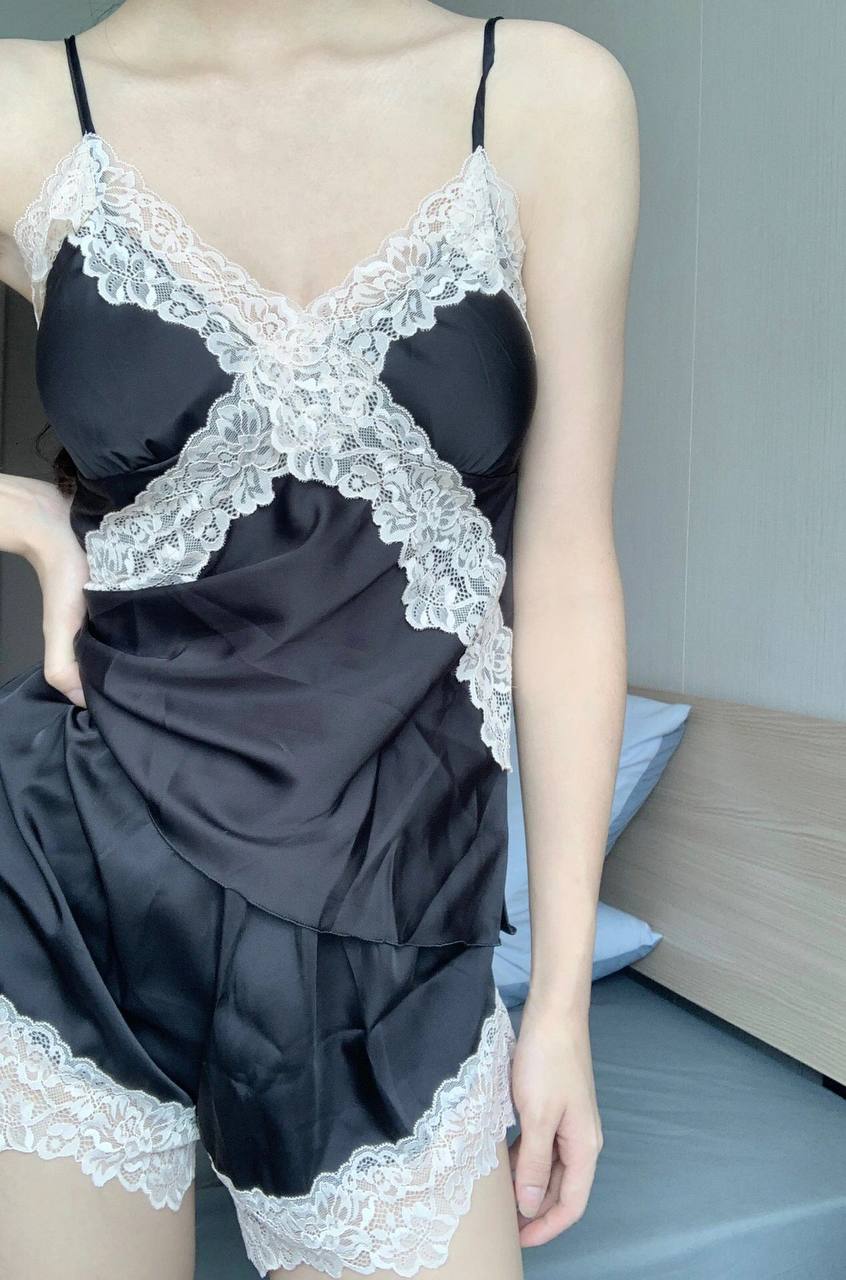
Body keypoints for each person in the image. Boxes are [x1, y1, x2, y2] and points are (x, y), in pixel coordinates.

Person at [0, 3, 639, 1277]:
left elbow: (566, 573)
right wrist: (16, 507)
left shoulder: (544, 96)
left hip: (390, 925)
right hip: (73, 879)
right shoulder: (27, 101)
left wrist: (561, 1002)